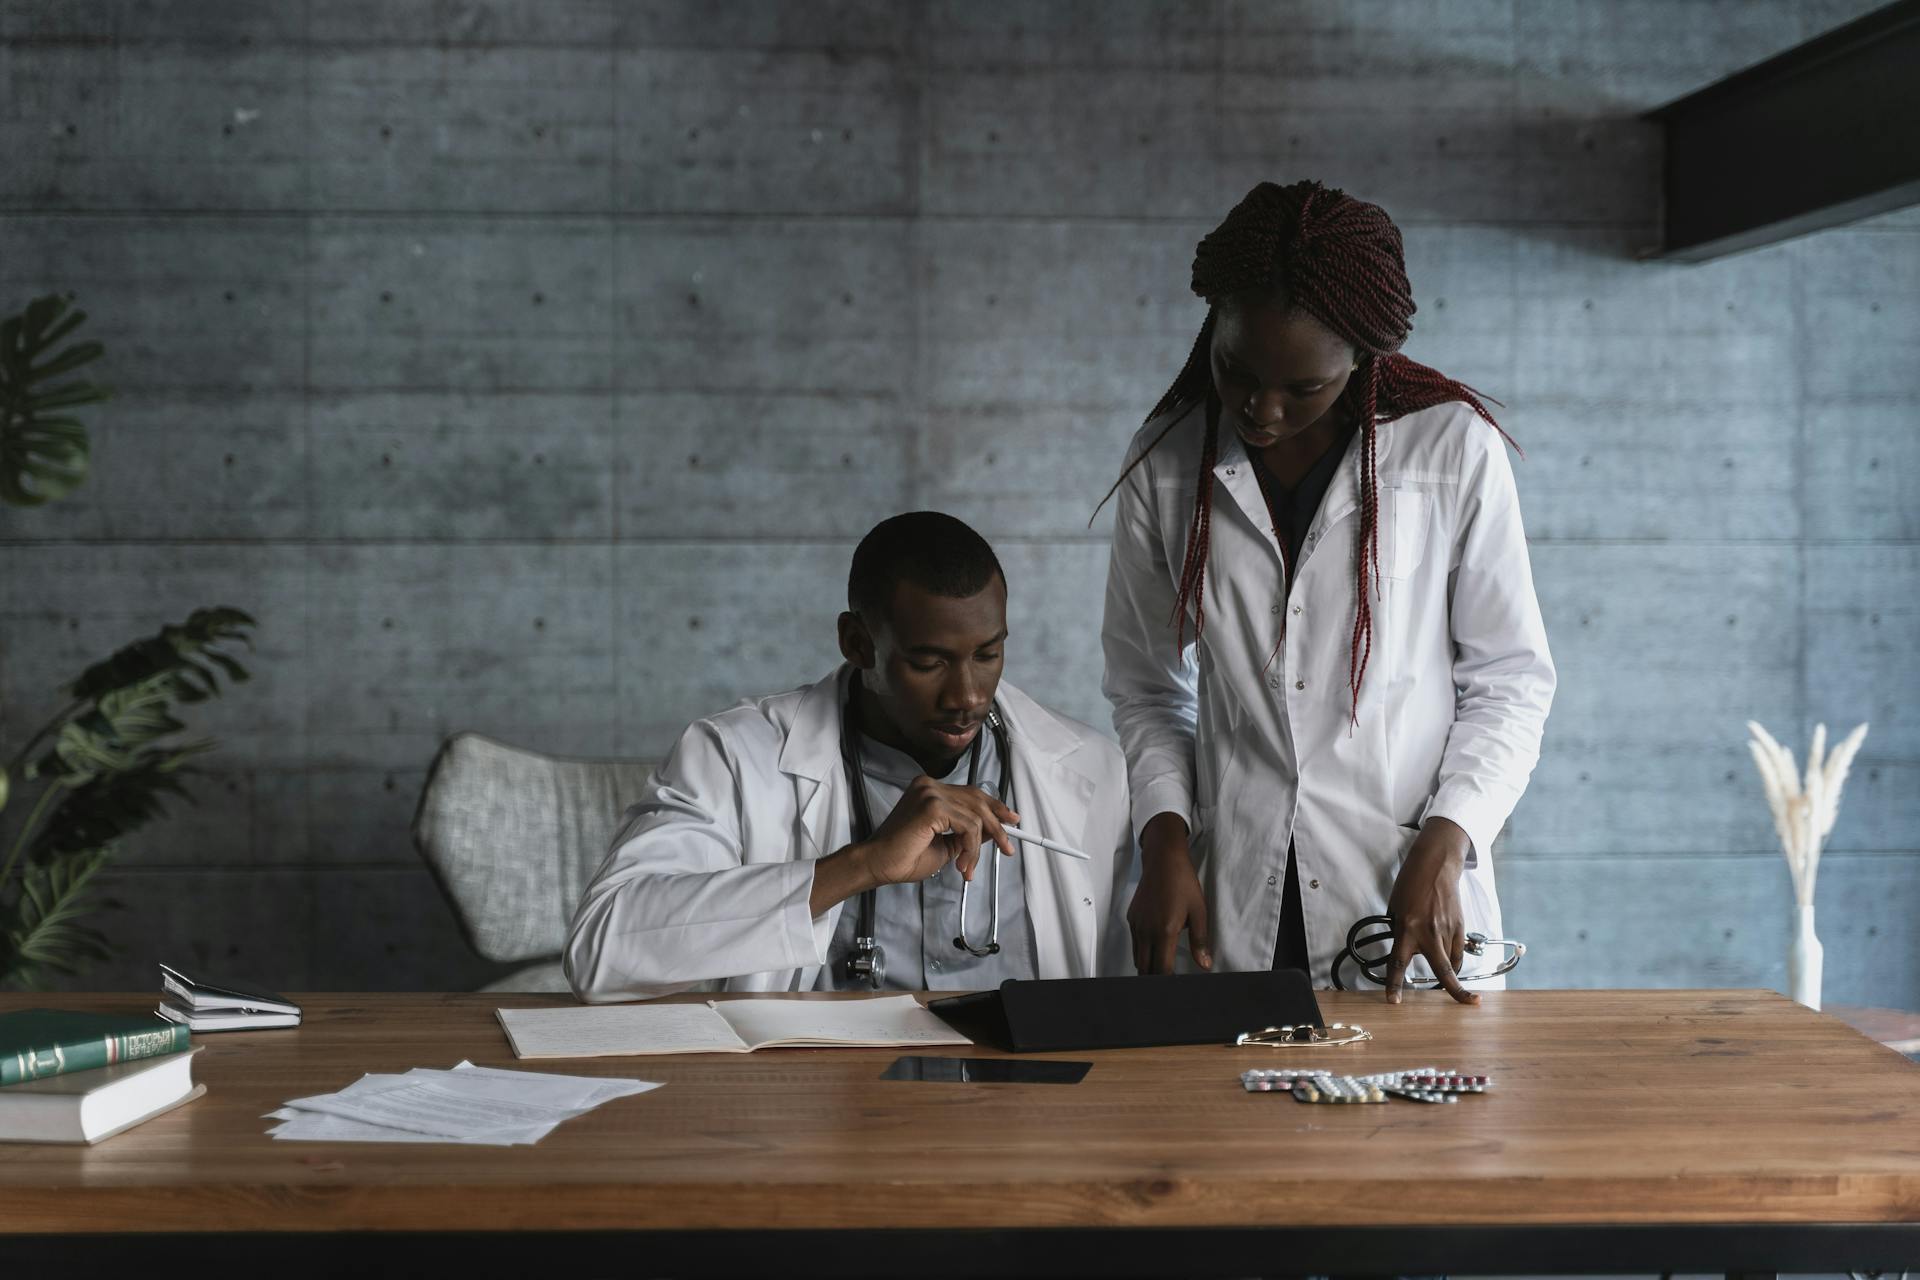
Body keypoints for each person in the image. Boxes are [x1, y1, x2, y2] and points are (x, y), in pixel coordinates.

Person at [1100, 179, 1555, 1002]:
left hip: (1401, 891)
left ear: (1362, 358)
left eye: (1303, 389)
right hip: (1233, 897)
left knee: (1413, 1124)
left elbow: (1510, 681)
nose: (1260, 410)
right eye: (1235, 371)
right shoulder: (1166, 463)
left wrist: (1449, 840)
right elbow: (1146, 687)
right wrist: (1164, 840)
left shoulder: (1450, 451)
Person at [566, 511, 1134, 1001]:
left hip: (1031, 1105)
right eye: (929, 663)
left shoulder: (1092, 770)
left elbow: (1129, 989)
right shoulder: (733, 757)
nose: (967, 695)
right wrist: (861, 865)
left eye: (988, 654)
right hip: (825, 1103)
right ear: (858, 643)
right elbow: (601, 952)